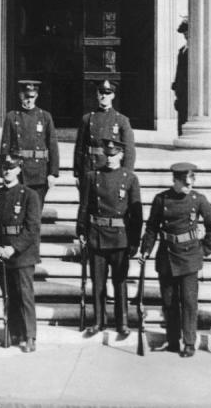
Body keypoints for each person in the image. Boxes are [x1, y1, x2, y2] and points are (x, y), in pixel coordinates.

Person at [139, 162, 211, 357]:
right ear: (174, 180)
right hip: (166, 255)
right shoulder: (161, 199)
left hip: (190, 256)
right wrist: (145, 249)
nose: (189, 186)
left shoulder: (197, 199)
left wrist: (206, 249)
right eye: (185, 183)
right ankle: (173, 340)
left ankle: (189, 342)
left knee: (189, 302)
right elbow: (151, 227)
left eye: (191, 182)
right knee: (169, 301)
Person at [76, 138, 142, 336]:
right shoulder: (92, 176)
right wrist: (81, 231)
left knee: (120, 282)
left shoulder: (129, 178)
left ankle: (122, 322)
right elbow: (84, 206)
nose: (111, 158)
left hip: (120, 238)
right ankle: (98, 321)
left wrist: (134, 241)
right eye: (108, 154)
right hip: (96, 236)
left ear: (121, 155)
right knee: (97, 282)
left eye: (114, 154)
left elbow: (136, 215)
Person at [0, 154, 42, 353]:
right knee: (9, 296)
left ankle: (30, 336)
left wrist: (13, 248)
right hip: (2, 253)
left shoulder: (29, 195)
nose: (7, 171)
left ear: (19, 169)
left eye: (11, 167)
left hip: (22, 254)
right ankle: (14, 331)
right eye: (4, 167)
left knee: (25, 295)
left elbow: (32, 227)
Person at [0, 80, 59, 205]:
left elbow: (53, 146)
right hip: (18, 171)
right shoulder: (12, 116)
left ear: (36, 96)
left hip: (39, 173)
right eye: (26, 97)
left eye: (32, 97)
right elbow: (5, 146)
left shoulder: (45, 117)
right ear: (20, 95)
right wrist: (3, 171)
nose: (29, 100)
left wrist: (53, 173)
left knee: (35, 212)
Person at [72, 79, 136, 186]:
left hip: (110, 169)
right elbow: (79, 149)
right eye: (101, 92)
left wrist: (126, 173)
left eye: (108, 93)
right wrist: (78, 173)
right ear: (97, 94)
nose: (104, 96)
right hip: (90, 168)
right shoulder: (87, 119)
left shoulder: (121, 120)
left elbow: (129, 150)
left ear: (113, 96)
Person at [172, 18, 189, 136]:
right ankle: (181, 134)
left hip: (190, 90)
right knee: (181, 113)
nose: (186, 35)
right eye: (184, 33)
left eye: (187, 32)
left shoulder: (195, 50)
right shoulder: (183, 50)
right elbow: (179, 71)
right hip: (181, 90)